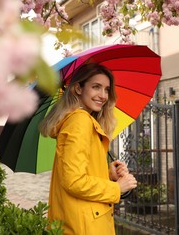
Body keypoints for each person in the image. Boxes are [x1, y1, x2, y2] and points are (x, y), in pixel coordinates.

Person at [40, 63, 137, 234]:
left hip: (82, 220)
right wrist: (117, 188)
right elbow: (74, 181)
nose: (103, 95)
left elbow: (76, 172)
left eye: (107, 89)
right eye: (96, 87)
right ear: (78, 88)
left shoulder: (80, 121)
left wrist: (109, 175)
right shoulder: (80, 121)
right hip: (85, 226)